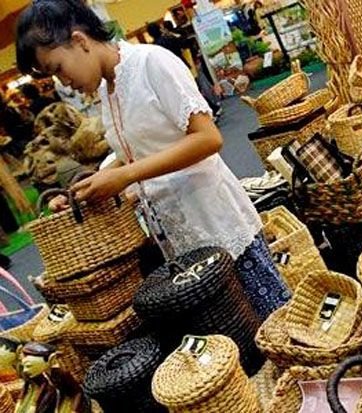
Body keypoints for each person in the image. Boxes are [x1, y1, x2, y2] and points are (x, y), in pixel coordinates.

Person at [16, 0, 289, 321]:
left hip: (217, 224)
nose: (63, 83)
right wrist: (87, 187)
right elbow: (137, 151)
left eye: (58, 68)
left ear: (80, 41)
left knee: (272, 323)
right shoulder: (108, 90)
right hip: (178, 239)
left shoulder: (151, 63)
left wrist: (126, 175)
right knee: (233, 337)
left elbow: (208, 138)